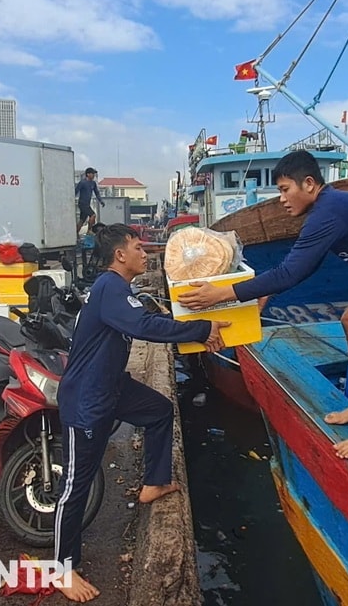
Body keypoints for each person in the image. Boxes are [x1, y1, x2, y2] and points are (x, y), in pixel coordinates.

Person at [178, 150, 348, 460]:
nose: (281, 199)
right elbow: (299, 266)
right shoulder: (326, 211)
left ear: (309, 184)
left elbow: (291, 272)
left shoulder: (329, 212)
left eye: (285, 189)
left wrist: (220, 294)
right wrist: (264, 291)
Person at [54, 223, 230, 602]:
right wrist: (202, 329)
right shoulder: (109, 287)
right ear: (120, 255)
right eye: (137, 247)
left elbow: (151, 319)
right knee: (75, 487)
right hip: (86, 400)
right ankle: (62, 568)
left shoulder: (120, 289)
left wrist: (199, 327)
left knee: (159, 410)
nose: (145, 253)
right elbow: (144, 326)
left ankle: (154, 482)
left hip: (111, 387)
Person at [75, 168, 105, 234]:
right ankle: (89, 230)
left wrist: (101, 201)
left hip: (87, 204)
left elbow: (97, 193)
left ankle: (75, 234)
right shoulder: (82, 182)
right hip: (82, 204)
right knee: (93, 215)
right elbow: (76, 191)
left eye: (94, 174)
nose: (93, 175)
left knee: (82, 221)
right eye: (92, 174)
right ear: (88, 174)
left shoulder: (93, 183)